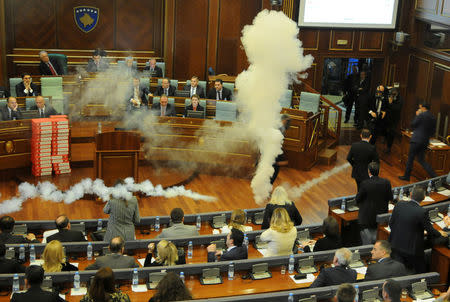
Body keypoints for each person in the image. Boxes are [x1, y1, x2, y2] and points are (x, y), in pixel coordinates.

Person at [389, 186, 448, 273]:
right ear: (424, 198)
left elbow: (391, 224)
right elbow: (430, 230)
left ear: (411, 194)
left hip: (394, 244)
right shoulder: (421, 212)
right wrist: (439, 233)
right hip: (411, 250)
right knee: (421, 267)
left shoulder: (399, 204)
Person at [356, 161, 393, 244]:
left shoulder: (365, 183)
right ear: (379, 171)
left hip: (367, 218)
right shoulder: (386, 182)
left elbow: (358, 199)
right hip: (382, 216)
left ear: (368, 172)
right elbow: (391, 197)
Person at [399, 103, 437, 181]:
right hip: (425, 141)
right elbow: (433, 131)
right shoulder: (433, 117)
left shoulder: (421, 115)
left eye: (420, 108)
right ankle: (435, 176)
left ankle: (406, 176)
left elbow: (413, 124)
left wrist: (417, 115)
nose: (419, 109)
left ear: (423, 108)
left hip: (416, 140)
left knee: (410, 158)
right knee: (422, 160)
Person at [270, 114, 290, 184]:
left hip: (273, 149)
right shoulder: (281, 128)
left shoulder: (277, 125)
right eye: (287, 121)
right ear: (283, 120)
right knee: (273, 171)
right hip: (274, 150)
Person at [384, 88, 403, 153]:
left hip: (394, 119)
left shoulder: (400, 99)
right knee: (385, 131)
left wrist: (390, 103)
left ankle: (389, 148)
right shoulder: (389, 96)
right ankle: (385, 140)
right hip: (387, 117)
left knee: (391, 133)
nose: (391, 96)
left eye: (392, 94)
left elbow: (397, 108)